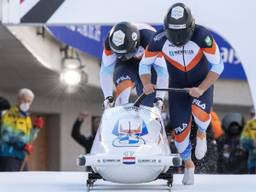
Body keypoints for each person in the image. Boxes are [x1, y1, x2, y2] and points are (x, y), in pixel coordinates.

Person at [139, 3, 224, 184]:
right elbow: (145, 64)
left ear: (190, 28)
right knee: (180, 134)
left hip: (201, 84)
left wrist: (201, 88)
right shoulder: (158, 39)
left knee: (201, 116)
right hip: (177, 87)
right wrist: (146, 83)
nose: (177, 39)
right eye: (173, 34)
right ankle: (189, 165)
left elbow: (218, 65)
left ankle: (202, 132)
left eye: (181, 34)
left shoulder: (203, 36)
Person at [100, 22, 168, 109]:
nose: (124, 56)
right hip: (126, 64)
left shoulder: (152, 41)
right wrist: (107, 97)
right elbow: (106, 70)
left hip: (149, 66)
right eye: (119, 54)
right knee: (122, 95)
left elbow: (162, 71)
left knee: (148, 104)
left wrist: (159, 97)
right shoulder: (109, 43)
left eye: (127, 53)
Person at [0, 88, 43, 171]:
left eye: (29, 101)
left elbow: (29, 139)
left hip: (21, 156)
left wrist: (36, 128)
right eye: (24, 100)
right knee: (11, 182)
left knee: (25, 180)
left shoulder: (27, 118)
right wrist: (22, 145)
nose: (26, 103)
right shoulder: (9, 115)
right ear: (19, 100)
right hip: (8, 155)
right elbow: (6, 135)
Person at [240, 107, 256, 174]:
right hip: (253, 162)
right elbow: (243, 141)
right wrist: (252, 143)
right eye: (252, 114)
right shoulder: (250, 124)